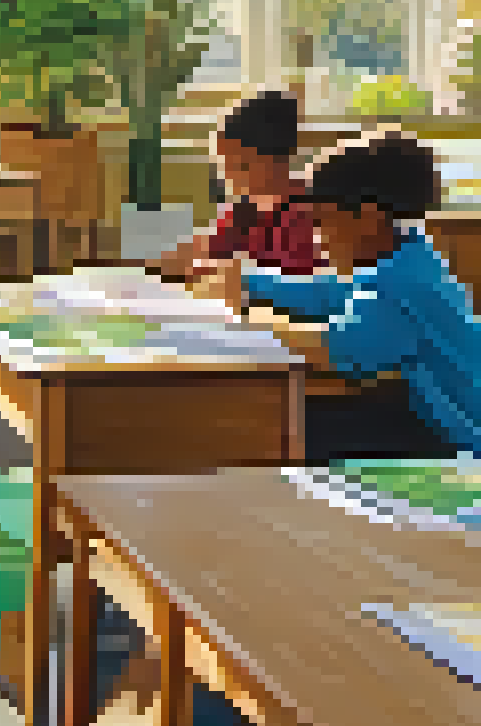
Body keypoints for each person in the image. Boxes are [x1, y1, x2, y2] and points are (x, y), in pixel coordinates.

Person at [203, 131, 481, 462]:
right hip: (428, 416)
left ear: (366, 219)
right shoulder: (404, 254)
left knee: (277, 424)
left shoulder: (396, 286)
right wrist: (251, 281)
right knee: (295, 417)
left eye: (321, 221)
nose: (316, 237)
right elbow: (329, 292)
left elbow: (335, 350)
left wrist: (249, 320)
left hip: (452, 440)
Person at [154, 90, 320, 279]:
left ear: (273, 162)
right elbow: (207, 249)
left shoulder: (304, 216)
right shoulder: (245, 210)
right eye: (224, 164)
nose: (228, 175)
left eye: (238, 165)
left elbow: (298, 283)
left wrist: (221, 275)